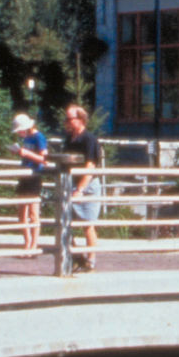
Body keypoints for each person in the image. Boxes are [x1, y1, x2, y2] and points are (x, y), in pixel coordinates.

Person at [59, 105, 103, 271]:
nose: (67, 122)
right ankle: (76, 256)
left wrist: (80, 189)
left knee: (87, 225)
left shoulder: (89, 139)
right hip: (71, 183)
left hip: (87, 186)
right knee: (65, 222)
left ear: (81, 119)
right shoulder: (69, 138)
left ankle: (91, 261)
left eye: (70, 118)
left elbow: (90, 166)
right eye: (66, 118)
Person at [12, 113, 48, 252]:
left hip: (34, 176)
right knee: (21, 213)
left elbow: (44, 159)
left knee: (33, 213)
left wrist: (26, 154)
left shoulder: (39, 137)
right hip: (24, 175)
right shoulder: (26, 137)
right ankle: (27, 242)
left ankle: (34, 244)